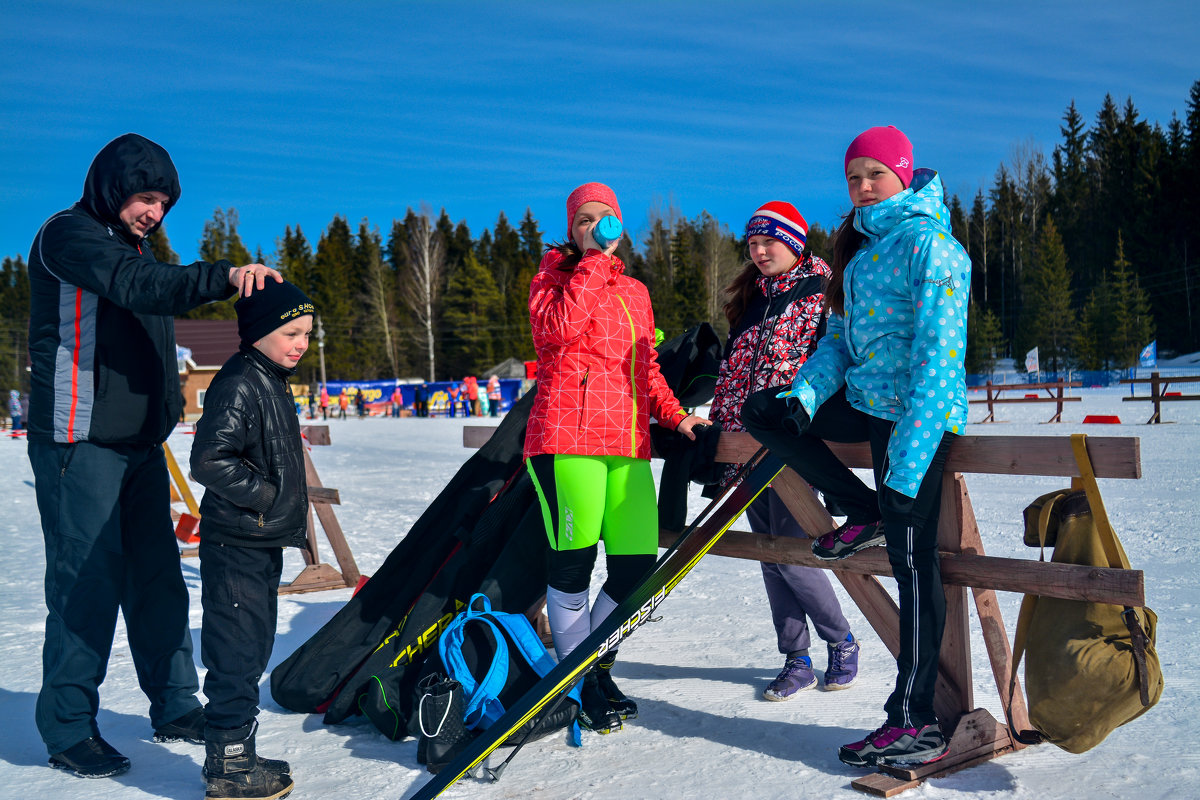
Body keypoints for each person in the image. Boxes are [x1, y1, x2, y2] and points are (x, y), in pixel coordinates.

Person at [25, 132, 283, 779]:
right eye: (147, 198)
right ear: (115, 188)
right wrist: (222, 277)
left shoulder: (133, 248)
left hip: (139, 446)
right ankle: (66, 729)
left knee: (158, 580)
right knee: (87, 585)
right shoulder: (69, 237)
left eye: (165, 202)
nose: (156, 213)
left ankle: (173, 705)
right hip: (78, 445)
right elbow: (137, 285)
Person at [742, 126, 971, 768]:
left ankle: (915, 719)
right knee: (765, 413)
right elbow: (838, 342)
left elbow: (938, 365)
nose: (863, 187)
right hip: (868, 401)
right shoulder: (861, 252)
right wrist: (804, 399)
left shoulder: (934, 249)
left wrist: (905, 467)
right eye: (853, 178)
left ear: (903, 172)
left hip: (920, 418)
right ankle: (860, 509)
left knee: (912, 561)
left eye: (874, 174)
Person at [524, 182, 707, 734]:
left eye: (605, 218)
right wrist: (592, 264)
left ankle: (594, 667)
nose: (595, 227)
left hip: (627, 445)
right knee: (573, 569)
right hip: (567, 439)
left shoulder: (635, 292)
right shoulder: (551, 280)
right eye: (584, 220)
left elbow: (645, 368)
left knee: (635, 568)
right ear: (572, 230)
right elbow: (557, 331)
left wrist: (677, 416)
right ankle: (576, 684)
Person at [708, 202, 859, 701]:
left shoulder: (823, 290)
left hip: (794, 442)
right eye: (752, 244)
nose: (759, 251)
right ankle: (796, 659)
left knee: (795, 557)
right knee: (771, 559)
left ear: (794, 241)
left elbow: (834, 362)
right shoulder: (751, 300)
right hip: (745, 446)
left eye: (768, 241)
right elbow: (732, 373)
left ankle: (841, 640)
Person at [190, 279, 312, 800]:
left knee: (254, 644)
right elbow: (209, 459)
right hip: (237, 540)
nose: (301, 343)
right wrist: (268, 498)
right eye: (290, 332)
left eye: (308, 333)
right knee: (236, 650)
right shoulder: (241, 380)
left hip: (258, 542)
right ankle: (229, 768)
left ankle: (239, 748)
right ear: (259, 331)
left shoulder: (270, 377)